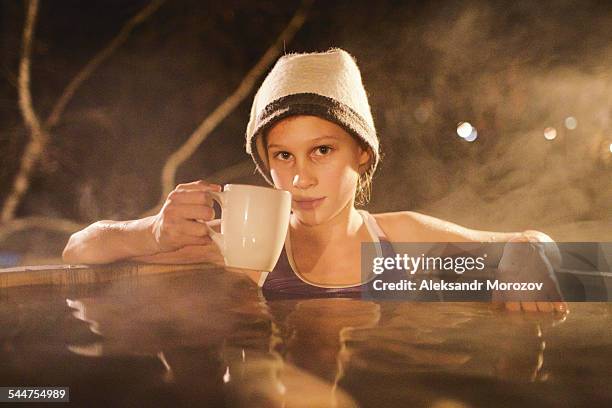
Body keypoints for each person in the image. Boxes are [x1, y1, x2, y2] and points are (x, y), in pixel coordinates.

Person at [62, 48, 566, 313]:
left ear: (362, 155)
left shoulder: (396, 242)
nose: (300, 176)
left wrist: (532, 246)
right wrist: (152, 232)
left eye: (322, 150)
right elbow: (78, 250)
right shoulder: (253, 249)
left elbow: (562, 262)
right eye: (283, 155)